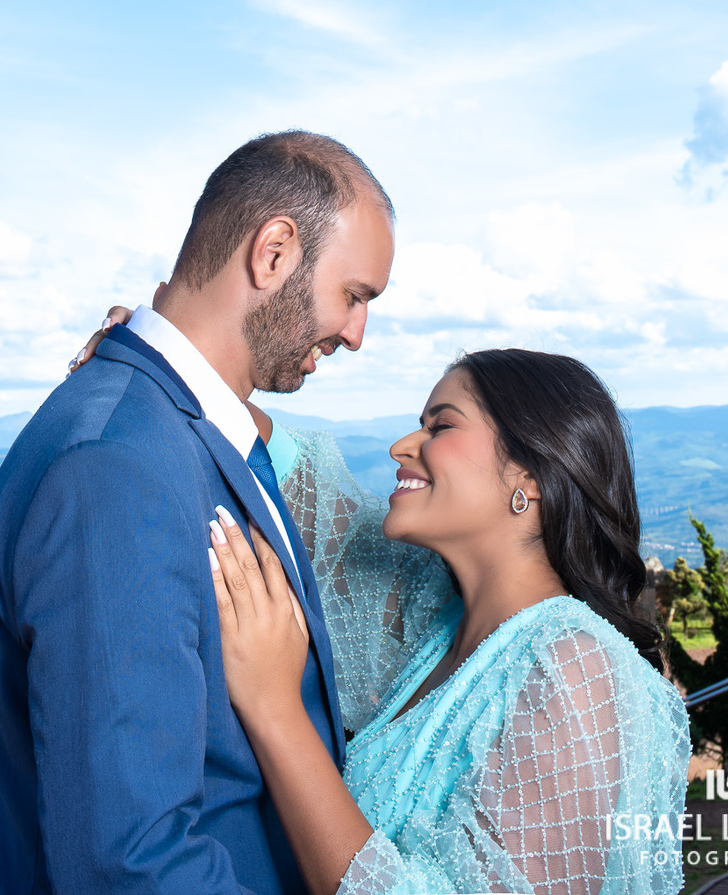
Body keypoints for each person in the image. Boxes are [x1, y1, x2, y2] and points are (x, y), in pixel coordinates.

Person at [0, 130, 396, 894]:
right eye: (354, 295)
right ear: (274, 253)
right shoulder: (114, 470)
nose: (357, 335)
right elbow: (128, 864)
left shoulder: (185, 430)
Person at [207, 348, 691, 895]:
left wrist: (274, 711)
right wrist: (176, 353)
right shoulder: (433, 626)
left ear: (529, 474)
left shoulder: (575, 670)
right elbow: (302, 481)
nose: (402, 446)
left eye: (441, 426)